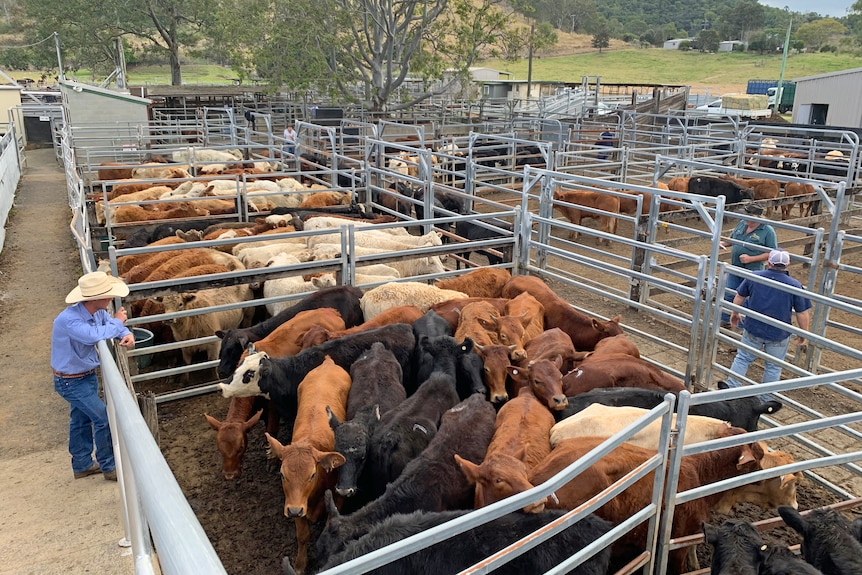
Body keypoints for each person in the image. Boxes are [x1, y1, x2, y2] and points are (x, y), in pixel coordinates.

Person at [51, 272, 135, 481]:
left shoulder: (98, 312)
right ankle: (109, 466)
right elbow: (95, 335)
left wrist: (125, 332)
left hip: (82, 376)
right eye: (107, 295)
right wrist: (118, 322)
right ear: (94, 298)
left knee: (80, 420)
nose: (110, 298)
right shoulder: (70, 320)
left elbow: (111, 327)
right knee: (102, 418)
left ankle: (82, 464)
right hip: (70, 380)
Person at [725, 249, 811, 400]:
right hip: (778, 333)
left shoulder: (755, 277)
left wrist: (735, 313)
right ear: (788, 264)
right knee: (773, 366)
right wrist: (804, 333)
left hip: (753, 328)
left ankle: (730, 392)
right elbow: (802, 312)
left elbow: (740, 296)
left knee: (743, 358)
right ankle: (766, 400)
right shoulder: (795, 285)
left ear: (768, 262)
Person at [719, 202, 778, 326]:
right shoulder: (742, 224)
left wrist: (751, 259)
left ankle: (742, 326)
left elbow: (772, 252)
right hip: (735, 267)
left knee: (745, 298)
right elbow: (733, 238)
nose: (745, 218)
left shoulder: (767, 230)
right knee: (729, 293)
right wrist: (724, 243)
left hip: (753, 270)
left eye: (748, 216)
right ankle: (725, 320)